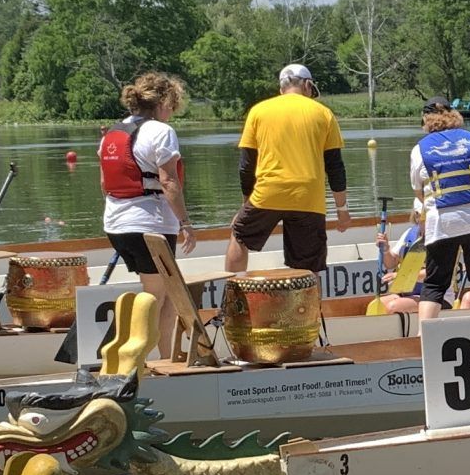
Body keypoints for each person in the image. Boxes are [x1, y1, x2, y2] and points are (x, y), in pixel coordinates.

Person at [99, 71, 201, 361]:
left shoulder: (112, 133)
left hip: (116, 224)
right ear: (164, 102)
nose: (172, 112)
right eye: (172, 105)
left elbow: (104, 184)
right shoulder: (161, 131)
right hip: (150, 226)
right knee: (154, 297)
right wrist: (186, 224)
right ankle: (136, 362)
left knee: (166, 292)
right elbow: (169, 181)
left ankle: (166, 357)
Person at [226, 62, 351, 274]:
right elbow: (335, 167)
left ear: (281, 88)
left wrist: (246, 204)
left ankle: (233, 290)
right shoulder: (324, 113)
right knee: (309, 267)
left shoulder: (258, 111)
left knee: (240, 235)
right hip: (308, 196)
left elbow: (246, 166)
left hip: (268, 191)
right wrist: (342, 211)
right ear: (307, 85)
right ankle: (310, 297)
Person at [409, 99, 470, 322]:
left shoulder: (419, 149)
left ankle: (424, 333)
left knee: (435, 281)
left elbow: (419, 192)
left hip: (442, 220)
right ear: (453, 115)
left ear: (425, 120)